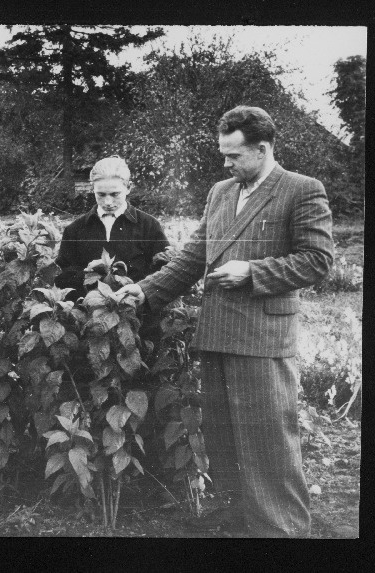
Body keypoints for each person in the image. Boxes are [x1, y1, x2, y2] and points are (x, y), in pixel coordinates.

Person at [117, 106, 334, 537]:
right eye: (223, 154)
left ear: (262, 148)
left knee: (269, 439)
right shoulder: (221, 191)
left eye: (234, 155)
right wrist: (146, 289)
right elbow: (194, 254)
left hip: (263, 337)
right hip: (218, 332)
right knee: (224, 435)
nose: (226, 163)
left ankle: (281, 529)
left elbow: (317, 261)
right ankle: (240, 517)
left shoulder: (302, 190)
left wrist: (252, 272)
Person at [55, 155, 170, 300]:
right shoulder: (75, 229)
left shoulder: (149, 226)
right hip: (90, 312)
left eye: (115, 194)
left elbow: (163, 272)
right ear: (93, 189)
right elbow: (64, 275)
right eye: (101, 195)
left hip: (137, 311)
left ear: (128, 188)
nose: (108, 202)